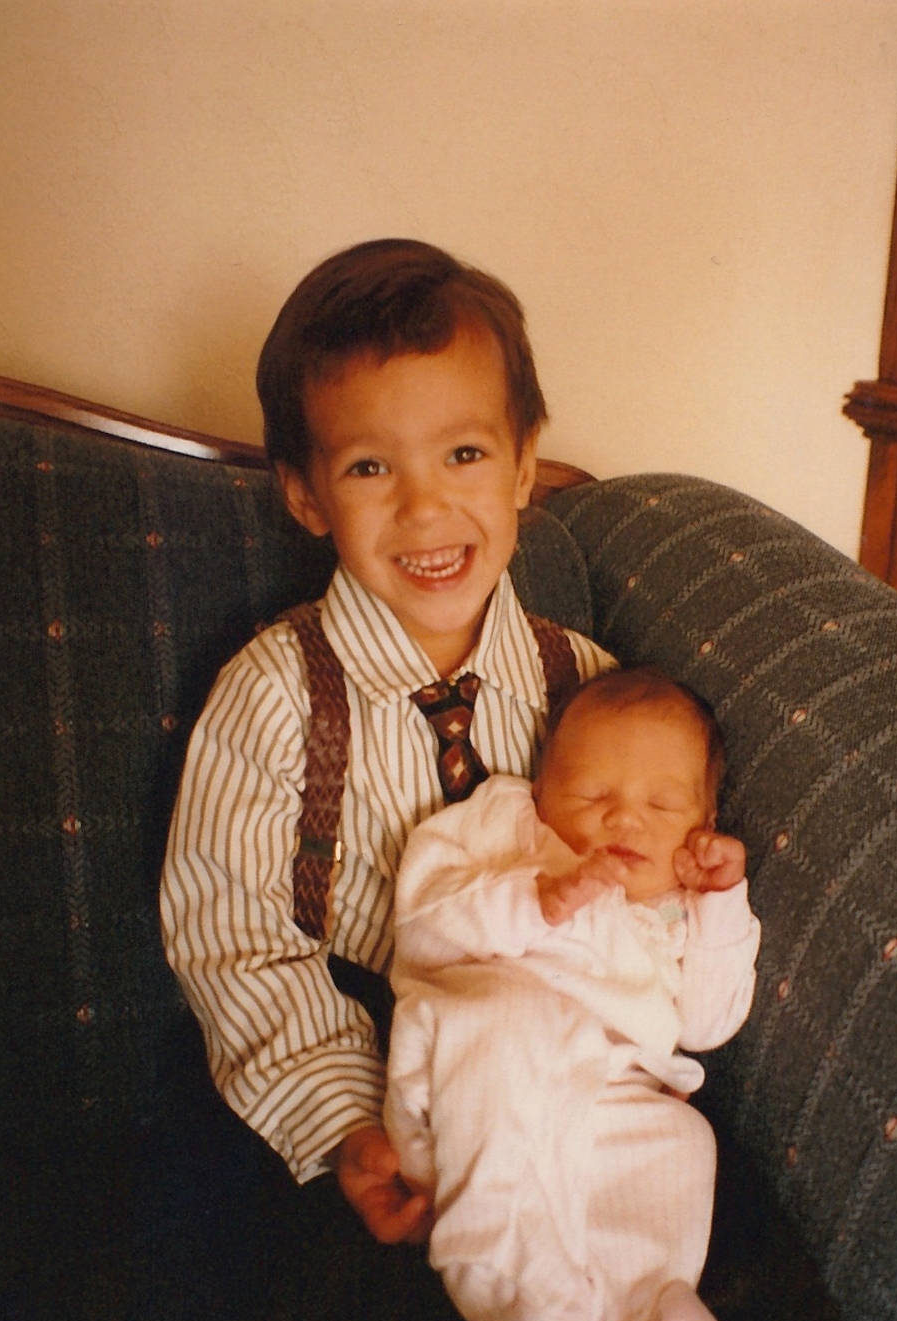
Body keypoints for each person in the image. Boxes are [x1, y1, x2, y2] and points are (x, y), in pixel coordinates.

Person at [160, 239, 613, 1259]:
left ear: (525, 462)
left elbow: (639, 868)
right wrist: (352, 1123)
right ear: (305, 495)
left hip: (561, 1070)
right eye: (370, 466)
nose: (424, 506)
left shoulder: (586, 684)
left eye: (464, 454)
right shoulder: (274, 695)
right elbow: (231, 939)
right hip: (361, 1057)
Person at [384, 667, 761, 1321]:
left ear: (704, 822)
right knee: (511, 1020)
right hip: (477, 1061)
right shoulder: (502, 829)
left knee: (683, 1141)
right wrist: (535, 902)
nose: (624, 820)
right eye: (591, 795)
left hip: (610, 1097)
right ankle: (495, 1261)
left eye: (661, 804)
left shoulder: (680, 906)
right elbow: (423, 923)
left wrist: (721, 900)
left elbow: (707, 1025)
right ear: (539, 790)